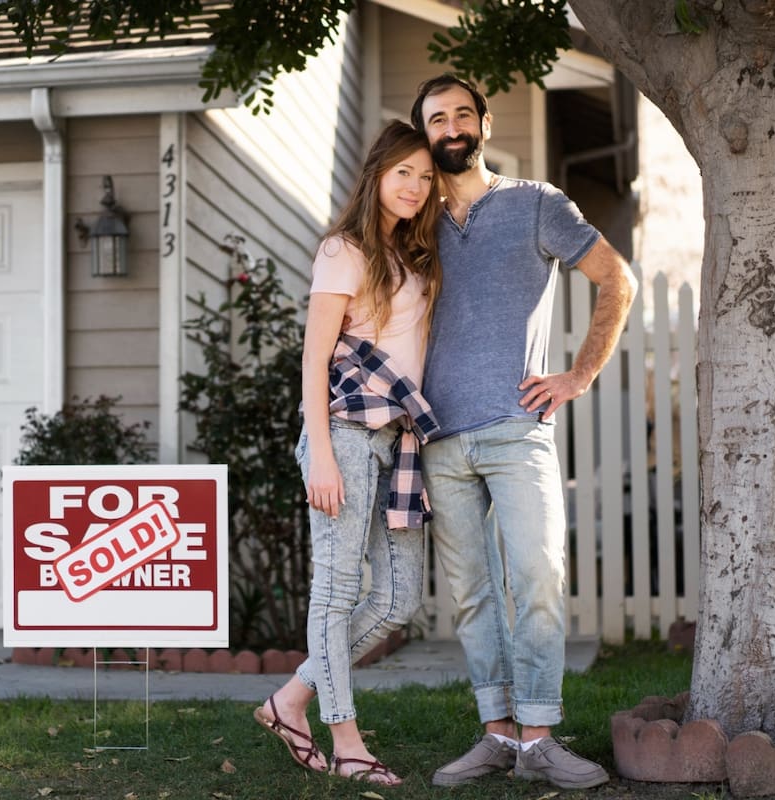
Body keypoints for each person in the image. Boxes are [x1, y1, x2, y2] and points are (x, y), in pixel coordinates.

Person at [409, 73, 638, 790]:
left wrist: (579, 375)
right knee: (472, 595)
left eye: (460, 114)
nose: (450, 127)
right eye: (435, 119)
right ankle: (497, 735)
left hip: (516, 428)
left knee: (537, 576)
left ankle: (539, 735)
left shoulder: (537, 204)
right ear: (425, 135)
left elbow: (615, 277)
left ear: (482, 122)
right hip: (438, 438)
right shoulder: (412, 220)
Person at [252, 120, 442, 786]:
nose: (415, 187)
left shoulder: (413, 258)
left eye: (424, 176)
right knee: (335, 596)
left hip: (399, 444)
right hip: (346, 435)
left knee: (398, 601)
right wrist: (323, 455)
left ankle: (288, 703)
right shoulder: (345, 250)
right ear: (376, 176)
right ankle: (347, 742)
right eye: (403, 174)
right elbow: (312, 360)